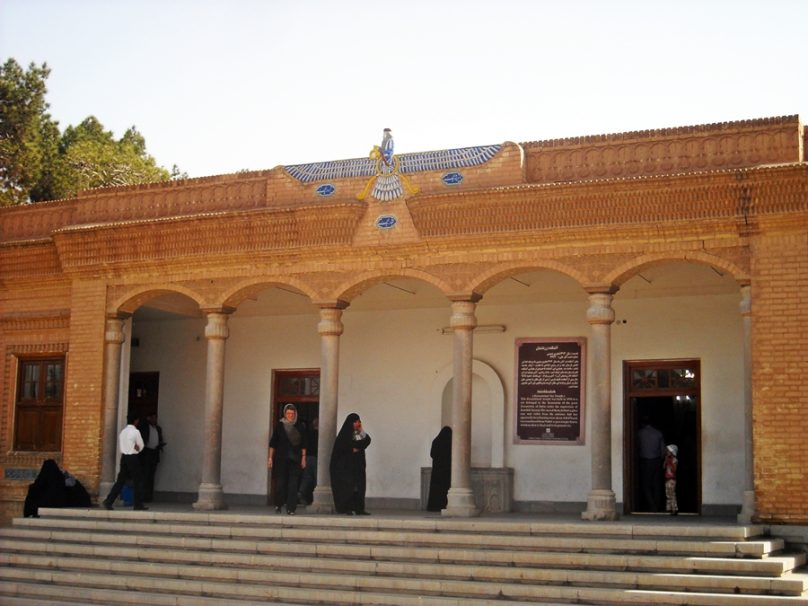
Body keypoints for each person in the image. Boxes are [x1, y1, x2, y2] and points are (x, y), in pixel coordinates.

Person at [103, 413, 148, 511]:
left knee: (120, 481)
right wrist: (137, 448)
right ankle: (138, 504)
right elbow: (141, 445)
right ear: (136, 421)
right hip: (133, 457)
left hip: (124, 457)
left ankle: (109, 501)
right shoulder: (135, 432)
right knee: (138, 480)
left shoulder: (123, 432)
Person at [268, 403, 307, 515]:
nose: (290, 415)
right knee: (280, 483)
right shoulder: (280, 426)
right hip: (281, 459)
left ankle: (291, 508)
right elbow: (273, 443)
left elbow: (304, 444)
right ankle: (278, 504)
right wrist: (270, 458)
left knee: (293, 484)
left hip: (295, 459)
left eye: (292, 413)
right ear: (285, 414)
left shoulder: (300, 426)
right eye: (288, 413)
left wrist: (303, 458)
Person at [330, 412, 371, 515]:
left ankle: (359, 508)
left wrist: (361, 430)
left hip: (358, 466)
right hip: (345, 468)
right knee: (347, 488)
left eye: (358, 421)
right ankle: (346, 508)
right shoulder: (344, 436)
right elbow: (346, 448)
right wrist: (356, 448)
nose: (357, 423)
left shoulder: (358, 434)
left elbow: (366, 441)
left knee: (359, 487)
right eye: (355, 422)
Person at [637, 416, 666, 512]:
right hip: (657, 461)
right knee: (657, 484)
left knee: (646, 485)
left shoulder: (640, 433)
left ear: (642, 423)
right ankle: (656, 506)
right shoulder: (658, 433)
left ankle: (651, 505)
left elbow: (637, 447)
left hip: (645, 461)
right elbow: (663, 451)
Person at [138, 413, 165, 502]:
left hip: (154, 453)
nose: (155, 420)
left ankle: (149, 496)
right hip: (147, 452)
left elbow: (159, 438)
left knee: (151, 475)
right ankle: (142, 496)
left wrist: (160, 445)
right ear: (149, 418)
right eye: (153, 418)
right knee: (145, 474)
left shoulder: (158, 429)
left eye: (156, 418)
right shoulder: (145, 427)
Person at [427, 426, 452, 512]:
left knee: (436, 490)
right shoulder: (450, 442)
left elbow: (432, 454)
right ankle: (443, 505)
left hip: (437, 471)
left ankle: (433, 507)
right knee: (444, 490)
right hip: (447, 470)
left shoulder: (436, 441)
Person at [298, 416, 319, 505]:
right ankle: (316, 498)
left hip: (307, 458)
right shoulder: (320, 435)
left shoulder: (308, 434)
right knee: (317, 479)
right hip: (315, 458)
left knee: (307, 477)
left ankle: (301, 493)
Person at [664, 444, 679, 516]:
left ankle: (674, 509)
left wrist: (670, 462)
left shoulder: (674, 460)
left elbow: (674, 470)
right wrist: (666, 460)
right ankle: (669, 508)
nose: (667, 452)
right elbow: (663, 467)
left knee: (672, 494)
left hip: (672, 479)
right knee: (668, 494)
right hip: (667, 479)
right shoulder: (667, 459)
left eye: (668, 451)